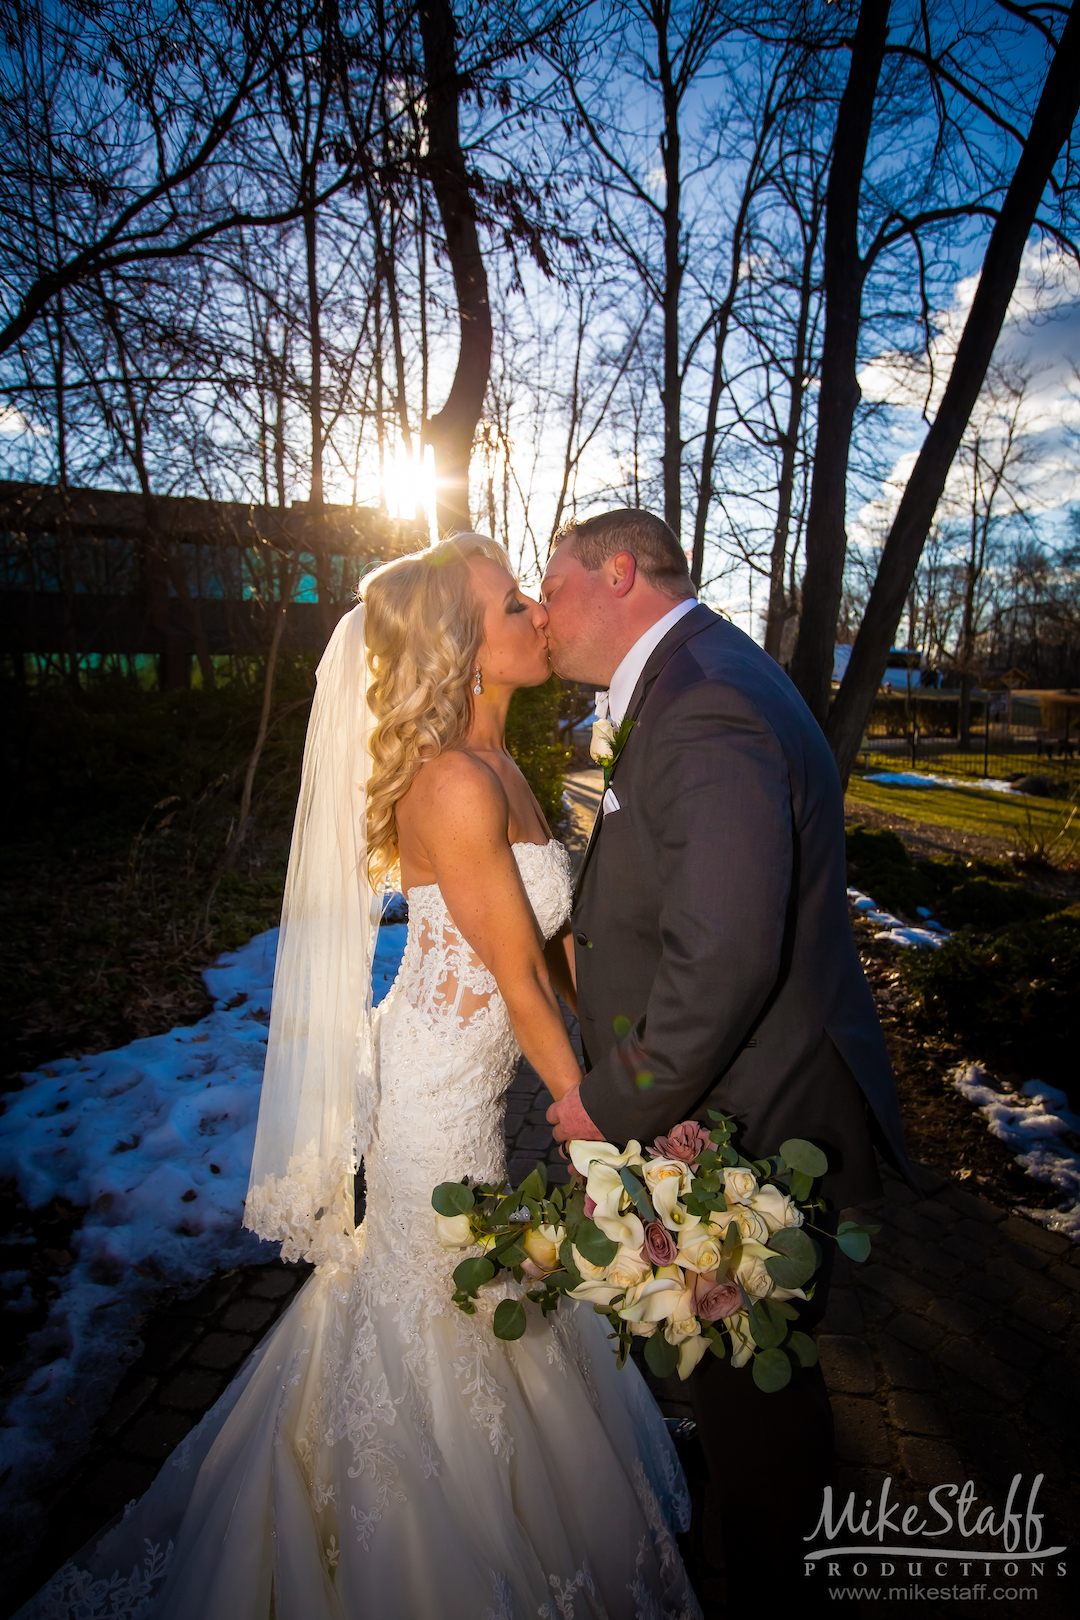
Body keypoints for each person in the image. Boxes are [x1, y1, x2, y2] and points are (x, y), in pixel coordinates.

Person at [20, 536, 700, 1620]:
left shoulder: (510, 768)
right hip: (435, 1093)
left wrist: (635, 1074)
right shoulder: (449, 786)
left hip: (466, 1070)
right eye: (512, 601)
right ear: (460, 646)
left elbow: (555, 946)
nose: (537, 612)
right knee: (436, 1295)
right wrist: (599, 1124)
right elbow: (518, 977)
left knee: (474, 1289)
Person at [541, 509, 912, 1606]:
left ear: (619, 574)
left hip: (756, 1112)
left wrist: (611, 1100)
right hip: (749, 1089)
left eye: (554, 588)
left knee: (763, 1401)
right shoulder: (697, 678)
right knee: (752, 1388)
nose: (544, 614)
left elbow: (727, 954)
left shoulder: (705, 703)